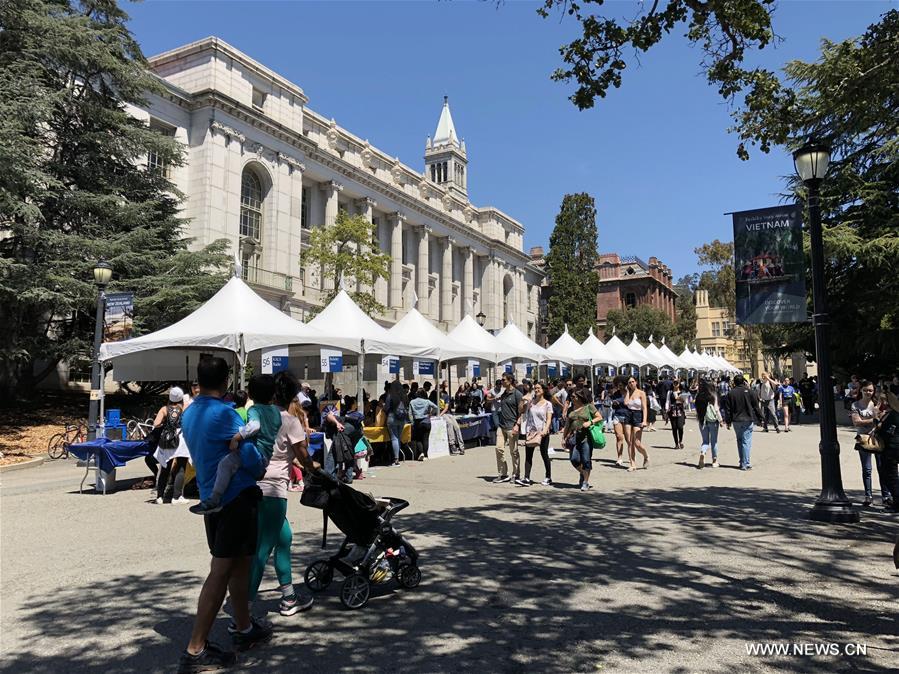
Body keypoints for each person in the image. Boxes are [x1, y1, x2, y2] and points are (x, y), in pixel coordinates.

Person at [176, 357, 268, 673]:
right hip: (236, 498)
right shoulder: (224, 414)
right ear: (226, 381)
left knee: (239, 564)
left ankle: (243, 628)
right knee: (222, 570)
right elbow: (250, 455)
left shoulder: (189, 414)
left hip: (211, 497)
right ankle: (195, 648)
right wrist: (260, 465)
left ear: (198, 381)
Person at [247, 371, 317, 620]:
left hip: (255, 484)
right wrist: (317, 469)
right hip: (273, 488)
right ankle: (243, 613)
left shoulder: (261, 414)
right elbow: (303, 455)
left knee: (284, 539)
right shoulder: (289, 420)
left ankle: (288, 596)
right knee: (262, 550)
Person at [190, 375, 281, 515]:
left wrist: (236, 438)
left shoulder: (254, 410)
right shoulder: (276, 411)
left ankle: (215, 498)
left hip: (255, 453)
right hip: (267, 455)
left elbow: (255, 426)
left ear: (250, 394)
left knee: (225, 464)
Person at [851, 381, 891, 508]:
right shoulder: (855, 405)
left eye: (870, 390)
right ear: (861, 391)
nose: (868, 392)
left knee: (882, 468)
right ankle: (868, 496)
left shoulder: (877, 405)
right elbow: (856, 422)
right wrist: (873, 420)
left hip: (878, 438)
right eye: (865, 390)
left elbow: (883, 420)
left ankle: (886, 496)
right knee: (867, 469)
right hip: (863, 439)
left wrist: (876, 419)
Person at [153, 386, 190, 505]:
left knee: (165, 467)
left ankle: (160, 496)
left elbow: (156, 423)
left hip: (167, 439)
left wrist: (166, 423)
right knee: (180, 467)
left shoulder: (164, 409)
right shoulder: (185, 407)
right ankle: (176, 496)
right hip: (181, 439)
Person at [722, 374, 763, 470]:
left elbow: (728, 409)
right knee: (746, 442)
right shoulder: (751, 392)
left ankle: (742, 461)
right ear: (744, 381)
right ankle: (745, 463)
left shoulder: (731, 393)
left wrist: (728, 421)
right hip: (748, 419)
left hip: (736, 420)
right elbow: (756, 407)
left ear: (734, 383)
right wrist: (760, 418)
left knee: (740, 441)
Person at [563, 389, 602, 491]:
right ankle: (583, 473)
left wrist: (590, 422)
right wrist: (563, 438)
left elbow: (599, 417)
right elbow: (567, 425)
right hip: (573, 438)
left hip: (586, 437)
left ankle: (585, 482)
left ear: (579, 397)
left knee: (586, 460)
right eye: (571, 397)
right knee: (574, 459)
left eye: (573, 397)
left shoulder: (588, 406)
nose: (571, 398)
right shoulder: (571, 410)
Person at [520, 381, 554, 486]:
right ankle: (526, 477)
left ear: (543, 390)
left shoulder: (548, 404)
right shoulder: (531, 402)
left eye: (539, 388)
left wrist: (545, 430)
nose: (536, 390)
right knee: (528, 455)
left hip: (542, 432)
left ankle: (548, 477)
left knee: (544, 454)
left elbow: (549, 419)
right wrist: (523, 401)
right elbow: (521, 411)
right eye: (535, 388)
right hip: (531, 431)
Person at [492, 373, 524, 485]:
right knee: (499, 448)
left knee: (514, 451)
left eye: (504, 380)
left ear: (510, 380)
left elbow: (521, 412)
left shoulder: (517, 394)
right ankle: (503, 473)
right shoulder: (504, 393)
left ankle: (516, 474)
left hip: (512, 427)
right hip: (502, 425)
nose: (502, 381)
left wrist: (517, 425)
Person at [623, 376, 650, 472]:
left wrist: (644, 420)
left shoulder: (641, 393)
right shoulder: (628, 393)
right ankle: (632, 464)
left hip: (638, 415)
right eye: (629, 382)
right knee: (629, 442)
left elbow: (644, 408)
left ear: (636, 382)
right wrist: (627, 392)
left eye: (632, 382)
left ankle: (646, 456)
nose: (631, 384)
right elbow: (626, 403)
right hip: (628, 415)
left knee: (637, 443)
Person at [694, 381, 723, 469]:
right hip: (713, 421)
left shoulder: (698, 396)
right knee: (714, 441)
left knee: (705, 441)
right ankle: (714, 461)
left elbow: (697, 409)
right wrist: (721, 420)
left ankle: (703, 452)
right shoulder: (713, 396)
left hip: (702, 421)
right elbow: (716, 409)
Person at [384, 380, 409, 466]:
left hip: (392, 418)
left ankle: (396, 459)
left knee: (394, 438)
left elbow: (386, 408)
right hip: (402, 419)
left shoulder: (390, 395)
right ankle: (397, 458)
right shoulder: (405, 396)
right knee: (398, 438)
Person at [410, 390, 439, 461]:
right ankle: (425, 455)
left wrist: (412, 422)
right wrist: (430, 414)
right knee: (425, 439)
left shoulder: (412, 402)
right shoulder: (427, 401)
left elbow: (410, 414)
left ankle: (421, 452)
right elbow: (436, 407)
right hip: (427, 422)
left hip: (417, 422)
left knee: (418, 439)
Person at [665, 380, 687, 449]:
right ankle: (676, 443)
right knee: (674, 428)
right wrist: (666, 410)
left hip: (680, 410)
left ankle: (680, 441)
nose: (675, 384)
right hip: (672, 410)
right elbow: (667, 401)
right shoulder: (670, 392)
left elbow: (686, 403)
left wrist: (681, 400)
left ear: (679, 384)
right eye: (674, 383)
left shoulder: (682, 392)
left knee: (680, 427)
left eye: (677, 382)